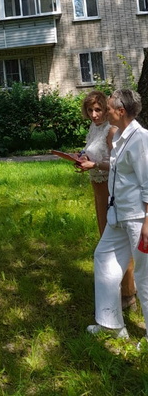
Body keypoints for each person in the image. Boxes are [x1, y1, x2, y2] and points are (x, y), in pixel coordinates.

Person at [85, 89, 148, 341]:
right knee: (103, 258)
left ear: (121, 111)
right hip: (117, 214)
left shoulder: (141, 139)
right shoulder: (120, 136)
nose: (105, 112)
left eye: (108, 108)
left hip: (137, 218)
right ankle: (110, 324)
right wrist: (93, 164)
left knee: (144, 275)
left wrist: (147, 222)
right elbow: (116, 166)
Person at [77, 91, 136, 310]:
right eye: (90, 110)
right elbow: (93, 152)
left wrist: (94, 165)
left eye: (98, 110)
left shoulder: (111, 130)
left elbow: (117, 164)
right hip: (97, 188)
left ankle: (129, 293)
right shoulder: (94, 128)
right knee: (105, 238)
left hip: (110, 190)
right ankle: (115, 287)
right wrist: (83, 158)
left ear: (106, 109)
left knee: (117, 240)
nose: (94, 114)